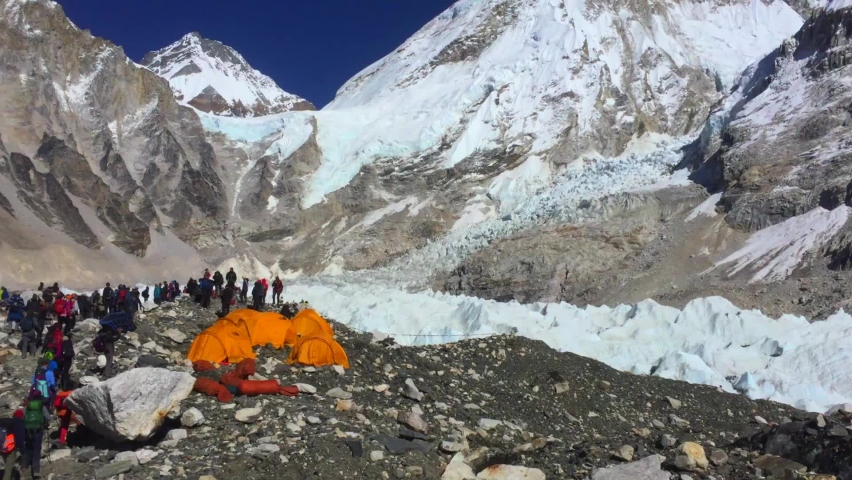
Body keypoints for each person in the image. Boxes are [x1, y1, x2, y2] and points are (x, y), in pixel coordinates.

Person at [19, 389, 50, 480]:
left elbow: (22, 417)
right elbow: (48, 417)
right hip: (38, 430)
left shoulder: (27, 406)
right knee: (37, 449)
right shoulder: (42, 406)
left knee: (28, 448)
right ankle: (36, 470)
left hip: (28, 430)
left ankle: (23, 466)